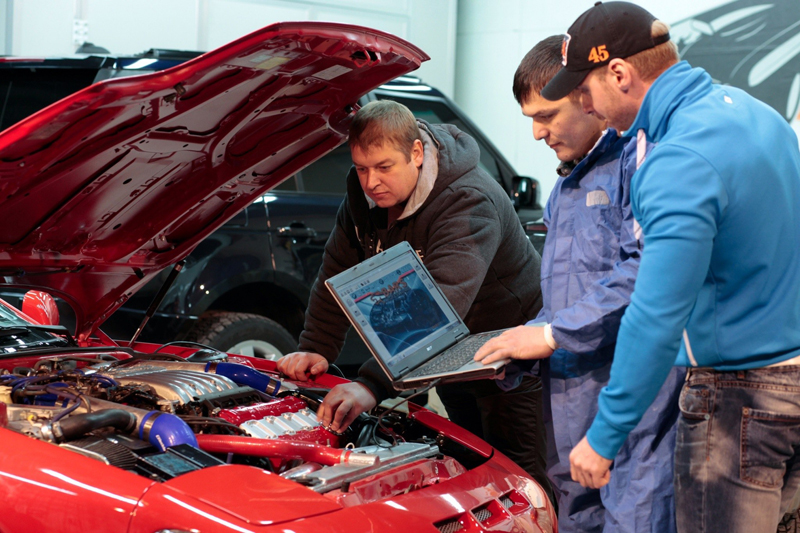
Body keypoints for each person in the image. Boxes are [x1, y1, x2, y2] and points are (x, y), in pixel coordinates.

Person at [537, 2, 800, 532]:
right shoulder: (755, 114)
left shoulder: (678, 158)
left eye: (584, 88)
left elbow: (656, 313)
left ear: (620, 73)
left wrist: (605, 434)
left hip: (738, 399)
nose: (584, 104)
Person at [275, 99, 553, 499]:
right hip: (449, 358)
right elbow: (335, 271)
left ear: (417, 153)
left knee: (520, 484)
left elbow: (436, 308)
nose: (371, 182)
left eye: (384, 167)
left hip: (511, 356)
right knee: (471, 474)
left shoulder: (469, 201)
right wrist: (316, 348)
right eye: (361, 168)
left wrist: (371, 384)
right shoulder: (363, 197)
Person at [475, 35, 682, 533]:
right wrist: (523, 347)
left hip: (633, 413)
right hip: (568, 412)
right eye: (529, 118)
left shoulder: (642, 162)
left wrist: (549, 335)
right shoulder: (565, 187)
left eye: (546, 115)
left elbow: (647, 275)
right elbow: (571, 294)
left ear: (587, 96)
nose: (536, 133)